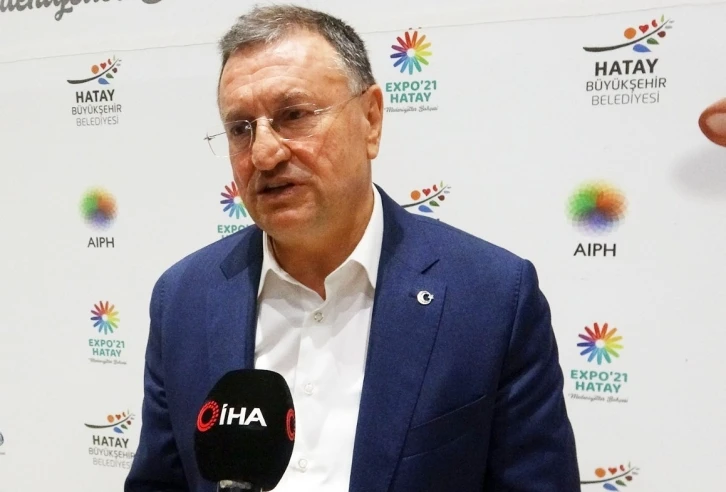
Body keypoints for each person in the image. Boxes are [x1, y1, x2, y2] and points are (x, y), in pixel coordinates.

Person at [125, 5, 580, 491]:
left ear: (371, 120)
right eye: (240, 128)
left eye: (294, 115)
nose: (264, 153)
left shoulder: (491, 299)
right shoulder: (183, 299)